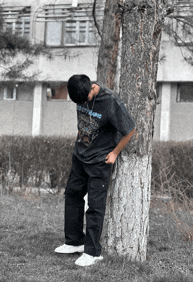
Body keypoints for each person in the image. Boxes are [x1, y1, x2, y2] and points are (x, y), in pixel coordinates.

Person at [55, 74, 135, 267]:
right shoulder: (80, 93)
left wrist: (115, 153)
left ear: (92, 88)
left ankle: (92, 252)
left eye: (85, 99)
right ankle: (74, 241)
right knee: (72, 196)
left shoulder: (110, 100)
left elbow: (130, 129)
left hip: (100, 160)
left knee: (95, 205)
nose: (83, 103)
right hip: (80, 155)